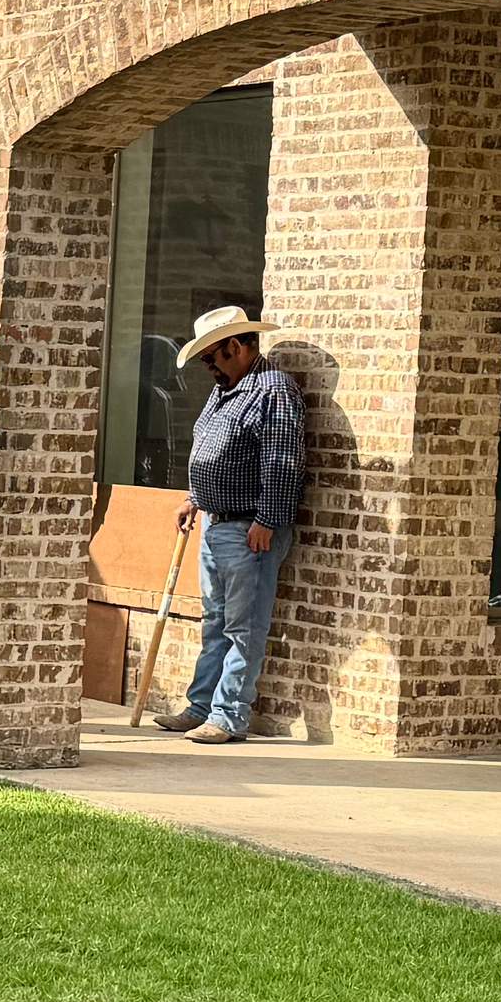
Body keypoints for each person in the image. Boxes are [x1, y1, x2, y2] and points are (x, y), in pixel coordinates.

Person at [157, 303, 303, 744]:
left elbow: (283, 461)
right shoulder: (225, 390)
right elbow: (209, 451)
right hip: (216, 524)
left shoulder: (273, 390)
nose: (208, 368)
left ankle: (228, 715)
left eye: (210, 358)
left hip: (248, 529)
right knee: (215, 621)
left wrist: (268, 519)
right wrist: (194, 498)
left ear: (236, 347)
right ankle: (201, 706)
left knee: (244, 626)